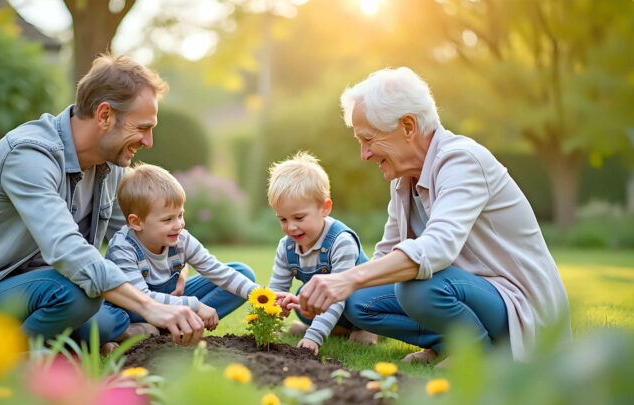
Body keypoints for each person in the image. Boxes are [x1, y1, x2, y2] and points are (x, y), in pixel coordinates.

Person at [295, 67, 571, 364]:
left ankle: (479, 357)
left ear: (408, 127)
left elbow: (437, 249)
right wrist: (336, 290)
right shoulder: (403, 180)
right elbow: (386, 254)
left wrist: (348, 278)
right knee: (358, 300)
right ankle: (448, 345)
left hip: (520, 307)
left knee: (417, 288)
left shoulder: (462, 160)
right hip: (464, 294)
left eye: (369, 140)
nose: (364, 154)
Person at [0, 54, 204, 346]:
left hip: (64, 291)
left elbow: (142, 236)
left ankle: (101, 335)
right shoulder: (28, 155)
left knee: (207, 290)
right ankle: (8, 358)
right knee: (79, 297)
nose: (149, 142)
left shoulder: (111, 167)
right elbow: (66, 249)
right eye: (143, 128)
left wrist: (178, 265)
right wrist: (150, 307)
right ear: (105, 115)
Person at [93, 163, 258, 351]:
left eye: (180, 215)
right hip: (134, 310)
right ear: (136, 222)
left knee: (243, 273)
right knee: (101, 319)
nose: (178, 225)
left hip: (171, 301)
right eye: (168, 219)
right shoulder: (123, 248)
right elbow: (142, 299)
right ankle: (137, 332)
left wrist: (260, 295)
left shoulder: (180, 238)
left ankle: (169, 330)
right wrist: (194, 306)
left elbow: (216, 270)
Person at [266, 151, 380, 355]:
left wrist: (313, 338)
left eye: (299, 218)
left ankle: (365, 329)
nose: (291, 227)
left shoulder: (341, 242)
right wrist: (270, 324)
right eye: (283, 219)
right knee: (302, 296)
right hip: (331, 306)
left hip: (360, 303)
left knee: (356, 303)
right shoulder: (287, 246)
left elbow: (337, 297)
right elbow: (276, 288)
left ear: (325, 208)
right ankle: (337, 329)